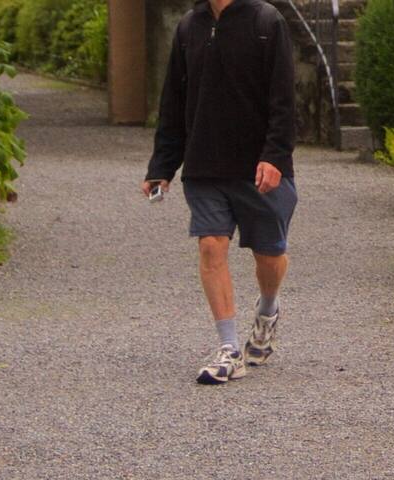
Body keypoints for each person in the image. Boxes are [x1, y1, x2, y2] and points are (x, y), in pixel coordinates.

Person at [141, 0, 298, 385]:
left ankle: (268, 310)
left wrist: (275, 155)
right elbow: (173, 104)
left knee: (270, 253)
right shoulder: (188, 28)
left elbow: (284, 99)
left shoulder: (266, 21)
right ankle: (229, 349)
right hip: (204, 165)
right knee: (211, 245)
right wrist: (162, 166)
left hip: (259, 168)